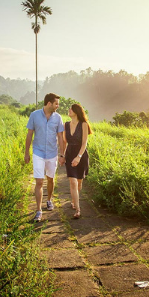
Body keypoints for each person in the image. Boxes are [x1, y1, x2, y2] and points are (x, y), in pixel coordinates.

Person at [24, 93, 65, 222]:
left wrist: (62, 154)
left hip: (52, 154)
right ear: (49, 103)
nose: (58, 106)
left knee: (51, 179)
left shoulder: (58, 118)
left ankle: (49, 200)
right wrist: (26, 152)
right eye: (56, 104)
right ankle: (38, 210)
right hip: (38, 152)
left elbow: (60, 137)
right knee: (39, 182)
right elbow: (29, 135)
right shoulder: (34, 115)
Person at [63, 103, 92, 218]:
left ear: (76, 111)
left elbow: (84, 142)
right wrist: (62, 155)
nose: (69, 110)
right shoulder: (66, 125)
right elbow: (64, 142)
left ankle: (74, 200)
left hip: (81, 155)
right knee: (73, 182)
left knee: (79, 182)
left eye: (71, 109)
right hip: (70, 154)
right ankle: (78, 210)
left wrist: (78, 157)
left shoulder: (84, 124)